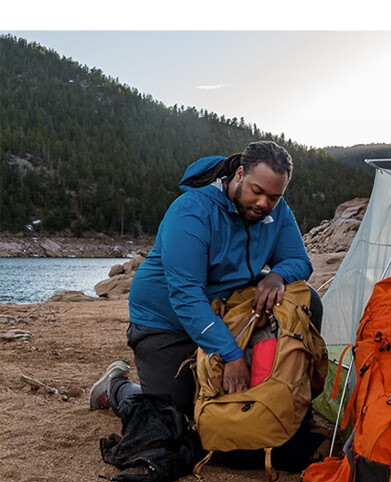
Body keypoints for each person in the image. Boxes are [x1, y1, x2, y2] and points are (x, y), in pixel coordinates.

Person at [89, 141, 321, 425]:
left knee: (307, 298)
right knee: (175, 421)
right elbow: (187, 297)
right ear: (239, 174)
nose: (263, 203)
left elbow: (299, 260)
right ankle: (115, 387)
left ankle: (296, 402)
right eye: (256, 191)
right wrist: (231, 355)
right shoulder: (191, 211)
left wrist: (277, 275)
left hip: (223, 311)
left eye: (273, 197)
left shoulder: (277, 210)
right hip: (167, 322)